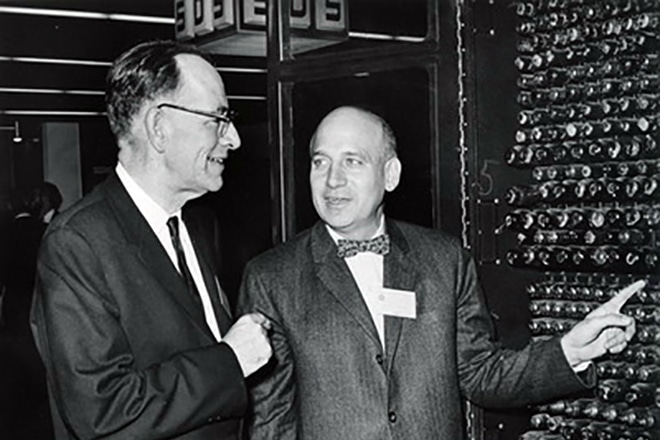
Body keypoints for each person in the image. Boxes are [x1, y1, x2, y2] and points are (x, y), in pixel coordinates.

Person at [237, 106, 645, 440]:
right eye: (320, 162)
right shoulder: (272, 278)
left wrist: (570, 350)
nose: (332, 180)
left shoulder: (444, 259)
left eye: (352, 161)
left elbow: (481, 373)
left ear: (391, 174)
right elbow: (270, 422)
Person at [30, 40, 272, 440]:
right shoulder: (77, 244)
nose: (233, 139)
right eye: (218, 118)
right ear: (159, 128)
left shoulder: (199, 225)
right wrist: (231, 360)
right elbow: (103, 412)